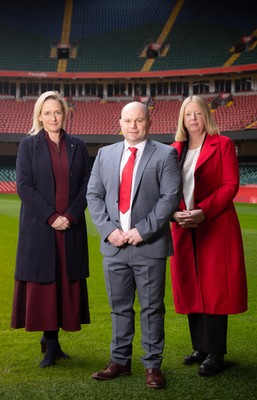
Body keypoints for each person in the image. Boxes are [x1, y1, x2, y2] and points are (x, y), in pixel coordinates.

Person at [86, 101, 182, 389]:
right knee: (119, 307)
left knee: (152, 308)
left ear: (148, 122)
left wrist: (143, 231)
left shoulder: (165, 154)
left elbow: (170, 198)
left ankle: (152, 365)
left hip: (148, 246)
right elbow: (94, 195)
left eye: (139, 120)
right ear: (120, 122)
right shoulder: (105, 154)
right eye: (128, 120)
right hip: (114, 246)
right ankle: (120, 361)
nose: (133, 125)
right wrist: (108, 231)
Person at [11, 91, 91, 368]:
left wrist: (69, 216)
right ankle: (50, 343)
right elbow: (24, 186)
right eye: (47, 113)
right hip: (41, 229)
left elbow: (86, 186)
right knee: (45, 284)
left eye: (57, 112)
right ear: (39, 116)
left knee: (64, 281)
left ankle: (54, 341)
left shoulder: (78, 146)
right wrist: (51, 217)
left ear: (64, 114)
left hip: (70, 227)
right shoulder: (28, 145)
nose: (53, 117)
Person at [170, 95, 248, 377]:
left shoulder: (223, 144)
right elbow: (167, 189)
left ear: (206, 116)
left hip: (214, 225)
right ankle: (199, 348)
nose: (193, 118)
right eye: (188, 114)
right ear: (182, 119)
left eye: (198, 113)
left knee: (215, 289)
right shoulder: (174, 149)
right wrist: (175, 213)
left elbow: (230, 186)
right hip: (183, 226)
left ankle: (216, 353)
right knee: (192, 286)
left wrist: (203, 211)